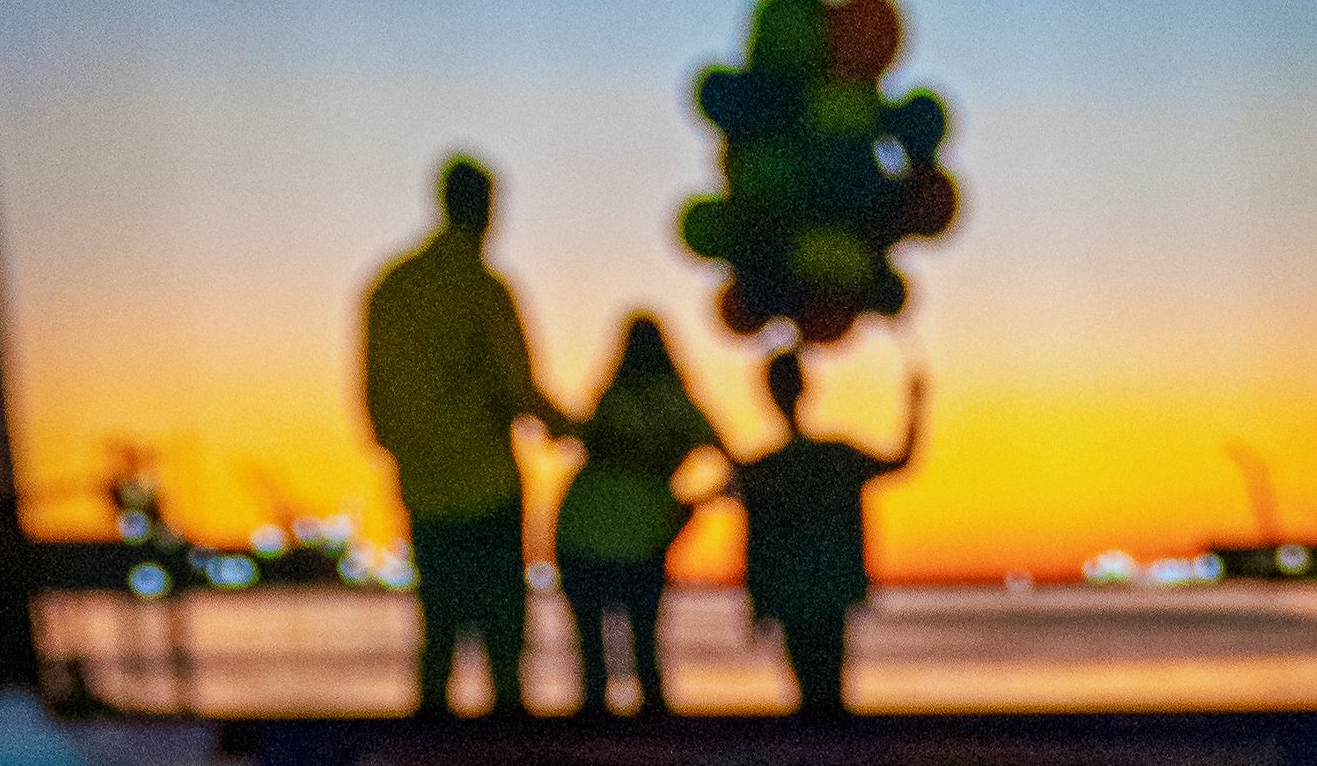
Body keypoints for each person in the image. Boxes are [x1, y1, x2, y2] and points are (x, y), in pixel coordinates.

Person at [358, 154, 565, 722]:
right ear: (486, 210)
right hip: (489, 487)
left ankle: (429, 750)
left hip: (424, 486)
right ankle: (510, 760)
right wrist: (573, 428)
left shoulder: (392, 287)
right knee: (503, 641)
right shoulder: (483, 288)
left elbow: (373, 395)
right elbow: (518, 388)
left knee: (439, 630)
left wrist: (405, 448)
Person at [736, 343, 926, 721]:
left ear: (769, 396)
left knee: (809, 691)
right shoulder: (836, 456)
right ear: (806, 388)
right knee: (829, 690)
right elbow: (901, 460)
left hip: (790, 587)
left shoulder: (762, 468)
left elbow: (753, 541)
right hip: (832, 582)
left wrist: (756, 599)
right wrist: (917, 406)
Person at [555, 310, 727, 722]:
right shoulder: (678, 405)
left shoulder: (611, 399)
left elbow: (578, 440)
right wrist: (692, 503)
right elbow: (728, 461)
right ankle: (653, 744)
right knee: (646, 649)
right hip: (643, 535)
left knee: (593, 660)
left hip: (580, 526)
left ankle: (593, 749)